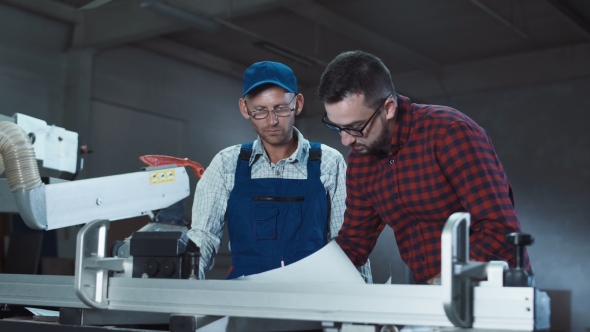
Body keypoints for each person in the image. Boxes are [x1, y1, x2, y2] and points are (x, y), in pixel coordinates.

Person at [317, 51, 529, 285]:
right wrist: (301, 276)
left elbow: (500, 230)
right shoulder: (361, 161)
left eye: (355, 127)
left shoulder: (450, 133)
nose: (346, 141)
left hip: (495, 292)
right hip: (431, 297)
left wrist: (444, 281)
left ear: (388, 108)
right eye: (337, 128)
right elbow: (354, 243)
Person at [188, 61, 372, 282]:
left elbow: (347, 244)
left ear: (298, 103)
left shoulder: (329, 163)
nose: (272, 120)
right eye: (260, 111)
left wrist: (362, 298)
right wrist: (185, 290)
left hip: (311, 298)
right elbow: (203, 236)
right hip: (244, 300)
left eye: (281, 108)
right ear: (244, 108)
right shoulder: (226, 164)